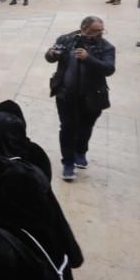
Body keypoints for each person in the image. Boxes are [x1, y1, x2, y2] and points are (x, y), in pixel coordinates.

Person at [44, 16, 116, 182]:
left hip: (92, 97)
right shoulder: (66, 39)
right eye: (96, 30)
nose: (100, 33)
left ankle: (80, 151)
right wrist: (51, 53)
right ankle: (68, 163)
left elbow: (109, 69)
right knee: (67, 127)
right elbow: (49, 58)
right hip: (65, 94)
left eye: (101, 30)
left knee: (85, 128)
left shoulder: (106, 47)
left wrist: (88, 58)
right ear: (84, 28)